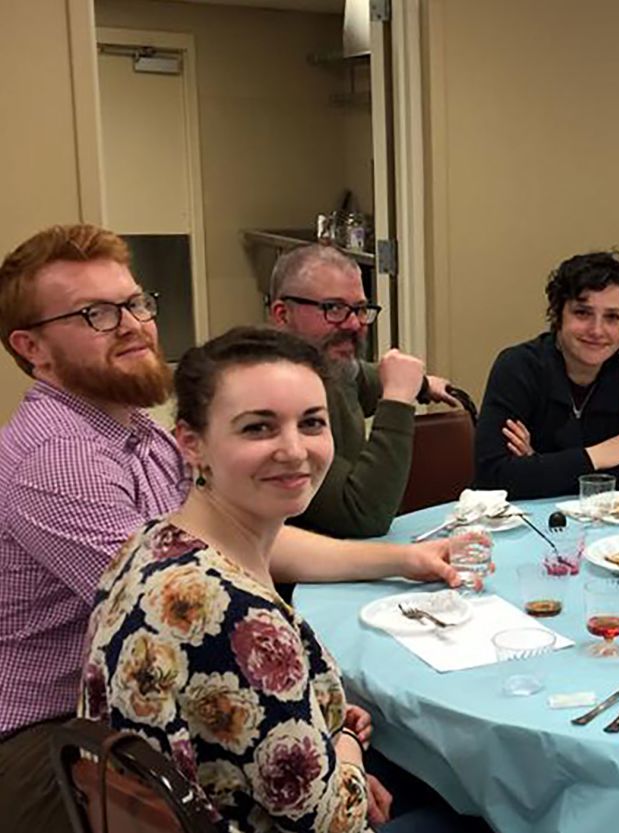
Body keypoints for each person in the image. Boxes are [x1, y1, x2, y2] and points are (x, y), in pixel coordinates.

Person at [0, 225, 462, 833]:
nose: (134, 325)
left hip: (176, 724)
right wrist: (340, 746)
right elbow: (191, 614)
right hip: (55, 736)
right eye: (96, 314)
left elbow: (228, 538)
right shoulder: (58, 460)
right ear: (32, 347)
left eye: (137, 303)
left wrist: (401, 560)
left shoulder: (133, 435)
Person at [80, 327, 484, 832]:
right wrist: (348, 751)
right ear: (191, 443)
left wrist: (334, 740)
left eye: (312, 423)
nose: (294, 450)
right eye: (258, 428)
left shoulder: (150, 543)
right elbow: (332, 822)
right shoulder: (232, 612)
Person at [268, 244, 459, 538]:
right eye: (333, 308)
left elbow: (360, 379)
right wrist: (398, 399)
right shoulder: (274, 396)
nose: (354, 323)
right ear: (282, 314)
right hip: (295, 579)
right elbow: (364, 516)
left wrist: (422, 384)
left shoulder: (326, 364)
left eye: (359, 309)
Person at [473, 250, 619, 499]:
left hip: (612, 528)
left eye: (612, 317)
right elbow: (493, 477)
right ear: (558, 314)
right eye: (582, 313)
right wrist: (597, 456)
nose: (597, 330)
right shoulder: (518, 367)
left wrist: (538, 465)